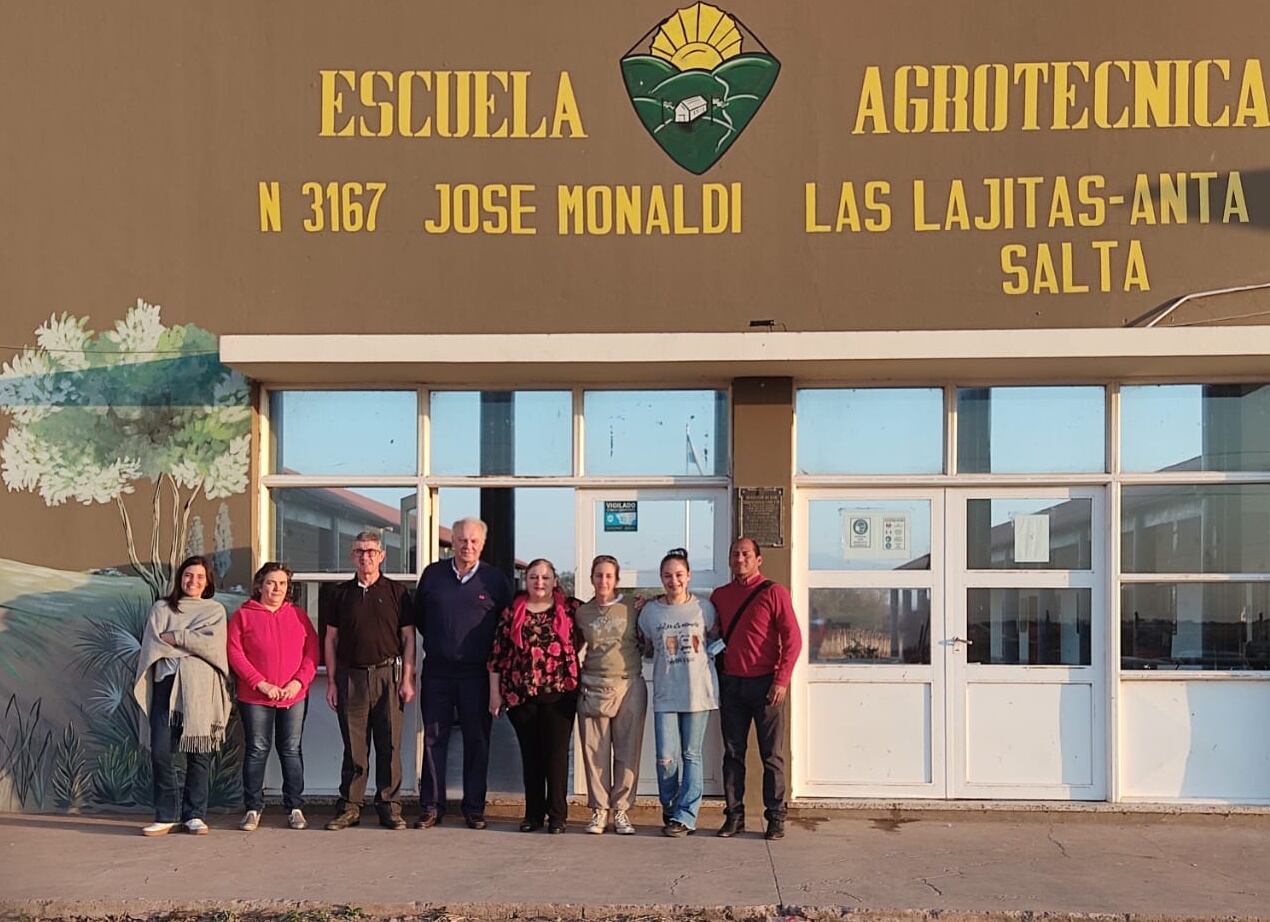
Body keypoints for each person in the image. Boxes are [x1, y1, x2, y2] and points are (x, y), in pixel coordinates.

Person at [414, 517, 513, 830]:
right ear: (451, 542)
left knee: (477, 740)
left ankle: (474, 808)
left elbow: (505, 627)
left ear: (482, 544)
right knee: (433, 738)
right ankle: (431, 806)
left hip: (477, 674)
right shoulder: (433, 575)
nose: (467, 546)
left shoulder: (495, 580)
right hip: (438, 671)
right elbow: (420, 618)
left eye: (473, 541)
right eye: (461, 540)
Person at [710, 537, 803, 841]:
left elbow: (793, 639)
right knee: (733, 754)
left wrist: (782, 679)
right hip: (732, 684)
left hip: (766, 685)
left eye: (746, 554)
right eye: (735, 554)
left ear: (758, 560)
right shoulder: (720, 596)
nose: (740, 559)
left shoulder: (774, 592)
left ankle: (775, 816)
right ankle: (734, 816)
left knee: (771, 755)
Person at [133, 555, 232, 836]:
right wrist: (194, 644)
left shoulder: (215, 610)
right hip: (166, 686)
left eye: (200, 577)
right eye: (189, 576)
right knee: (161, 752)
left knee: (199, 751)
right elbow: (154, 646)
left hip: (201, 689)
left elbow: (213, 648)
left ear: (208, 581)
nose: (193, 582)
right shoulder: (162, 608)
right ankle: (165, 815)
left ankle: (194, 815)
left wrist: (177, 637)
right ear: (180, 579)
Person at [323, 531, 416, 831]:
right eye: (360, 551)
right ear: (352, 556)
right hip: (351, 677)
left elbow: (408, 637)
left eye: (371, 551)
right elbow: (330, 639)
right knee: (354, 747)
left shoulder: (397, 592)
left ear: (382, 555)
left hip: (389, 675)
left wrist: (408, 679)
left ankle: (390, 806)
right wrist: (333, 682)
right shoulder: (340, 594)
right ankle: (350, 806)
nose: (366, 556)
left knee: (390, 745)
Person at [227, 561, 320, 832]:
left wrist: (297, 682)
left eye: (282, 583)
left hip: (293, 695)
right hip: (256, 696)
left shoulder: (298, 615)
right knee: (257, 750)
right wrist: (261, 684)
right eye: (271, 582)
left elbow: (312, 652)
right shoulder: (243, 615)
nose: (276, 588)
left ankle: (294, 807)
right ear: (260, 585)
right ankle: (253, 808)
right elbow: (235, 653)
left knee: (291, 750)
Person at [489, 559, 580, 833]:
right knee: (530, 757)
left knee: (556, 756)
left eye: (545, 577)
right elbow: (496, 656)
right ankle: (533, 815)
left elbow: (595, 624)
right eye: (533, 577)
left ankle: (557, 816)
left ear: (555, 581)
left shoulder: (570, 608)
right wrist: (494, 694)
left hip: (560, 695)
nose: (539, 582)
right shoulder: (511, 612)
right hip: (521, 696)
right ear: (525, 580)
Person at [637, 548, 719, 837]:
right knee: (666, 757)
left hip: (698, 693)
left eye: (679, 575)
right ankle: (670, 806)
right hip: (666, 693)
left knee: (691, 754)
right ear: (661, 578)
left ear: (688, 576)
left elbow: (717, 640)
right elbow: (646, 647)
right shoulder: (650, 612)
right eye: (668, 575)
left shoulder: (704, 609)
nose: (674, 580)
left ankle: (686, 815)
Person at [573, 554, 646, 836]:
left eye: (608, 576)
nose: (603, 581)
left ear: (617, 580)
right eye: (598, 575)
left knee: (628, 751)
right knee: (595, 753)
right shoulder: (582, 613)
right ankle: (599, 810)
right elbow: (573, 647)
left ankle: (622, 811)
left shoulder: (632, 607)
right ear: (591, 578)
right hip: (593, 685)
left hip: (629, 685)